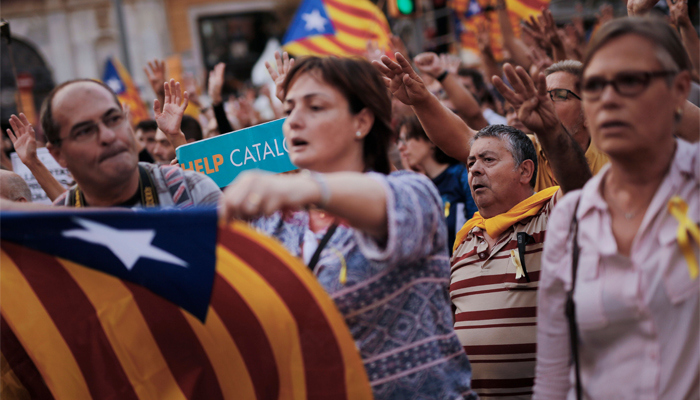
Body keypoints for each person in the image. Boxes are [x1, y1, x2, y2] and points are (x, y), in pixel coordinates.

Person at [220, 55, 477, 400]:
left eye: (315, 107)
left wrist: (307, 187)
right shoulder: (274, 223)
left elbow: (385, 201)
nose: (293, 121)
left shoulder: (413, 193)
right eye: (289, 109)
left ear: (362, 121)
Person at [374, 52, 591, 398]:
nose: (473, 169)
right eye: (471, 163)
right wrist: (419, 98)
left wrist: (549, 129)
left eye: (488, 160)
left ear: (525, 172)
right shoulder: (464, 240)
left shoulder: (551, 214)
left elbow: (581, 189)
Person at [535, 16, 698, 400]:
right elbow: (554, 376)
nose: (607, 98)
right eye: (594, 86)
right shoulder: (571, 217)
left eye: (629, 81)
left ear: (678, 91)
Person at [40, 79, 221, 208]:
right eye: (85, 131)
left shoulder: (192, 192)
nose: (108, 136)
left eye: (113, 119)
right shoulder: (56, 231)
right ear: (58, 154)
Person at [397, 115, 477, 254]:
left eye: (407, 139)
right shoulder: (418, 186)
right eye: (399, 141)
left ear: (431, 140)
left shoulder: (460, 176)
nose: (400, 147)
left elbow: (477, 222)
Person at [533, 60, 610, 191]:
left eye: (560, 95)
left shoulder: (612, 165)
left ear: (588, 112)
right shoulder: (520, 152)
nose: (545, 103)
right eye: (542, 96)